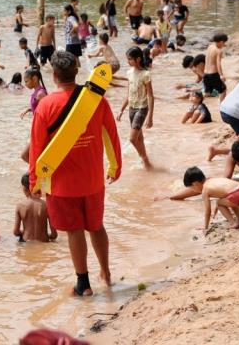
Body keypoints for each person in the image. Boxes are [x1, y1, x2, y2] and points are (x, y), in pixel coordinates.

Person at [28, 51, 121, 297]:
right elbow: (110, 134)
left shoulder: (45, 105)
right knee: (96, 225)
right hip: (93, 179)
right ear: (77, 71)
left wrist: (35, 180)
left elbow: (37, 147)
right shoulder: (96, 99)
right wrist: (115, 165)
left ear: (54, 75)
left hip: (62, 184)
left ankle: (83, 284)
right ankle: (106, 272)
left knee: (74, 231)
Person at [117, 47, 154, 169]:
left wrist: (150, 116)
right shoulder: (129, 73)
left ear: (138, 59)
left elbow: (150, 96)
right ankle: (145, 161)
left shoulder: (146, 74)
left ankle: (145, 160)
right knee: (139, 138)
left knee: (132, 139)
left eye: (130, 59)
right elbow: (129, 94)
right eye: (127, 59)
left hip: (142, 108)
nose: (128, 62)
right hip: (132, 108)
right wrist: (122, 110)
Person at [181, 167, 239, 233]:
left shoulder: (205, 190)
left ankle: (233, 223)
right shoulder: (212, 180)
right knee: (229, 198)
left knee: (219, 203)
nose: (194, 191)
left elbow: (208, 211)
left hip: (238, 196)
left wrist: (205, 227)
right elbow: (223, 194)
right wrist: (216, 209)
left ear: (195, 184)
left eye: (192, 188)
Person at [14, 173, 57, 242]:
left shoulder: (20, 206)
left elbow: (15, 232)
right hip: (44, 242)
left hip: (27, 242)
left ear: (24, 188)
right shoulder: (46, 205)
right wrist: (46, 236)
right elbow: (54, 235)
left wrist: (25, 232)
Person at [203, 33, 228, 100]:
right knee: (223, 90)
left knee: (207, 93)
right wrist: (221, 75)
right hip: (213, 74)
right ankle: (221, 108)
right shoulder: (218, 51)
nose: (224, 44)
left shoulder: (210, 46)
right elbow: (218, 63)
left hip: (205, 74)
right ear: (222, 42)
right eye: (224, 43)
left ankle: (196, 102)